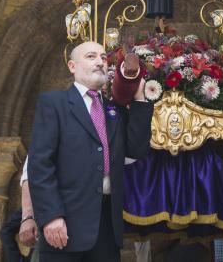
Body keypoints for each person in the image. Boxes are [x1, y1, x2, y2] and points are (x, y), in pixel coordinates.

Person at [28, 41, 153, 261]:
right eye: (91, 56)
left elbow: (136, 149)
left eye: (104, 58)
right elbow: (40, 165)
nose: (100, 62)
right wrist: (51, 217)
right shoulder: (54, 103)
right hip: (64, 224)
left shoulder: (114, 109)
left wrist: (140, 97)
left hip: (106, 227)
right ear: (72, 66)